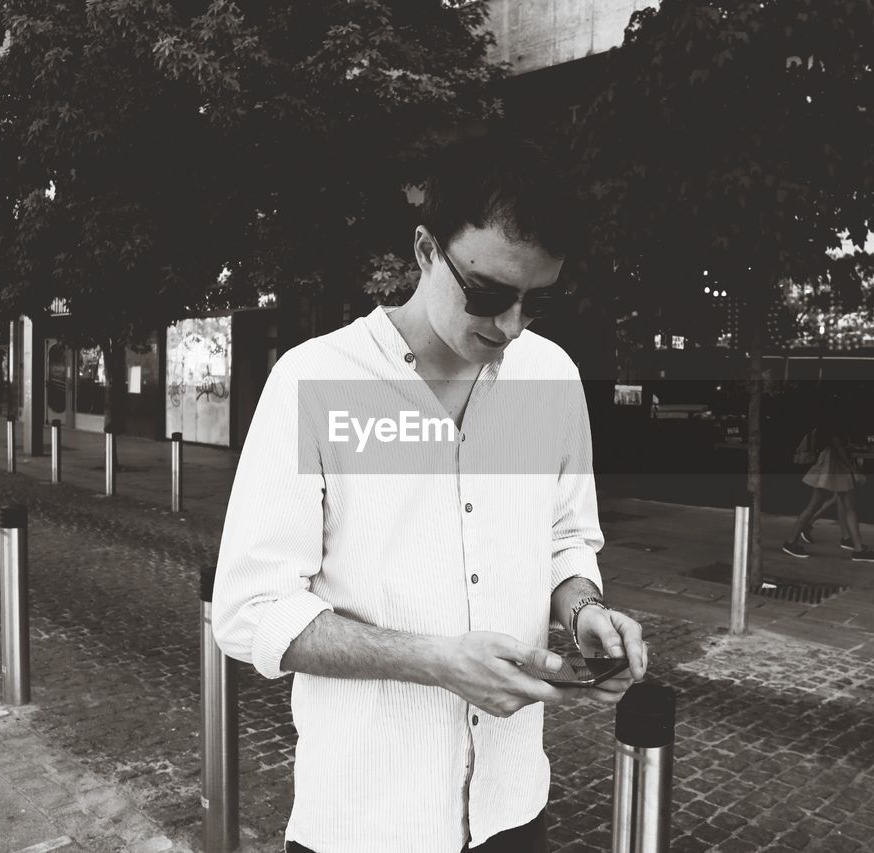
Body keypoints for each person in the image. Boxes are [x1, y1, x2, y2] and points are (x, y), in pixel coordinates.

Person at [212, 134, 649, 853]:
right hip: (363, 823)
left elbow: (566, 540)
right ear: (423, 251)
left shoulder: (553, 378)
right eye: (488, 293)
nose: (508, 325)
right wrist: (436, 660)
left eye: (534, 302)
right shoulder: (312, 380)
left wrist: (583, 611)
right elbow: (249, 609)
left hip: (514, 810)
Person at [781, 413, 874, 562]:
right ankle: (857, 549)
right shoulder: (836, 424)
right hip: (835, 465)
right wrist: (853, 471)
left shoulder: (827, 422)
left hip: (830, 465)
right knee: (846, 507)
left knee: (817, 505)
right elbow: (839, 447)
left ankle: (791, 541)